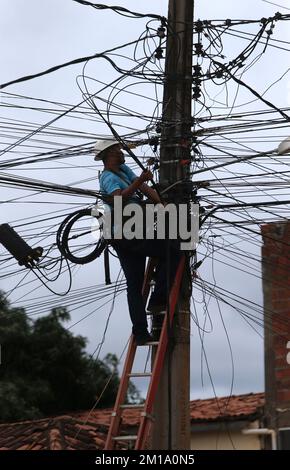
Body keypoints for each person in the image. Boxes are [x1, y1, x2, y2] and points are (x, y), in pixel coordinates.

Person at [95, 138, 181, 345]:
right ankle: (158, 299)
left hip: (129, 231)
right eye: (117, 149)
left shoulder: (123, 169)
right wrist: (139, 180)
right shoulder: (108, 177)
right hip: (125, 231)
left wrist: (161, 202)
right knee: (173, 250)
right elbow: (118, 199)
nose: (121, 151)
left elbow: (144, 189)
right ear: (109, 155)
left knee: (134, 284)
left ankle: (141, 334)